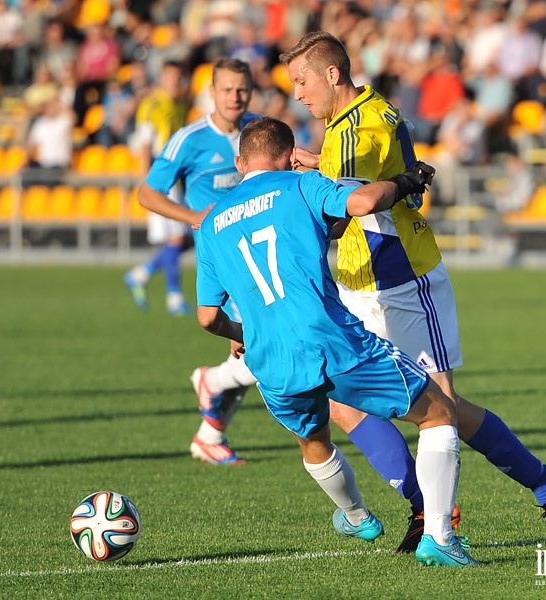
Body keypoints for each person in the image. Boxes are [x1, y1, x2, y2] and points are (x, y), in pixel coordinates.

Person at [278, 31, 546, 549]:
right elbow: (369, 175)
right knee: (343, 402)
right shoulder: (359, 116)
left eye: (303, 81)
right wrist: (320, 166)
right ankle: (425, 508)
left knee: (442, 409)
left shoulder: (356, 130)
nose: (298, 94)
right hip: (357, 280)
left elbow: (349, 203)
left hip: (403, 278)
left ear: (332, 74)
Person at [195, 116, 476, 567]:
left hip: (271, 359)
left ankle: (356, 515)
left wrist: (242, 334)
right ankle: (441, 539)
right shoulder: (299, 187)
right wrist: (404, 180)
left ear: (239, 162)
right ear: (289, 158)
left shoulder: (210, 226)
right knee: (440, 411)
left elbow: (208, 317)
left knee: (314, 439)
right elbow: (362, 201)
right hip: (333, 341)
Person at [137, 57, 261, 464]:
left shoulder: (260, 132)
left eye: (241, 89)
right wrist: (193, 217)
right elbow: (147, 193)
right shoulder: (189, 139)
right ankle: (211, 382)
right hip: (222, 262)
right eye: (226, 89)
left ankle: (210, 433)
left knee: (246, 349)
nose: (234, 97)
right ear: (211, 91)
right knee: (264, 347)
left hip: (261, 251)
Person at [124, 61, 193, 315]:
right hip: (161, 181)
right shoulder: (152, 105)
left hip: (176, 180)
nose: (176, 83)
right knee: (177, 238)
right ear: (163, 79)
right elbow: (144, 145)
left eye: (179, 78)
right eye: (172, 78)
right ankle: (173, 296)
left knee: (182, 239)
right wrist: (148, 185)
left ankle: (142, 273)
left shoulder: (180, 104)